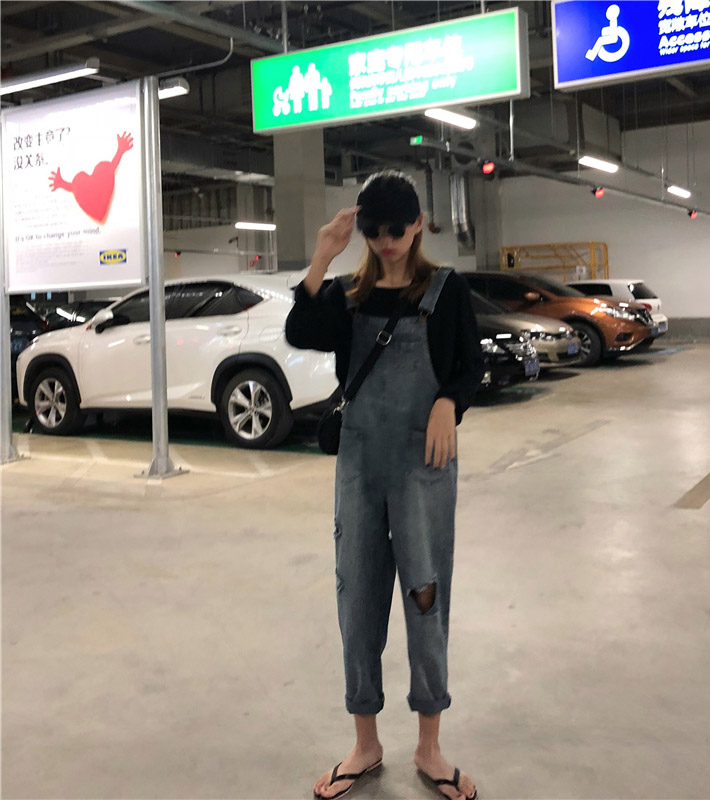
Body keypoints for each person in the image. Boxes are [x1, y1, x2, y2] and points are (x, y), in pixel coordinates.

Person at [285, 170, 483, 800]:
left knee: (426, 595)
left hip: (424, 464)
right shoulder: (347, 295)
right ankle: (365, 742)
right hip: (360, 463)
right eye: (374, 230)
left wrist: (449, 400)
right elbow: (299, 331)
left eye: (397, 227)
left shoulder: (446, 289)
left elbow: (472, 365)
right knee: (358, 596)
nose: (386, 240)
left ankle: (429, 747)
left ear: (419, 224)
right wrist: (323, 254)